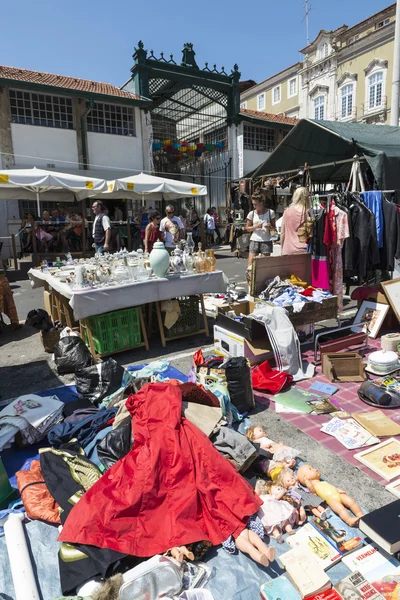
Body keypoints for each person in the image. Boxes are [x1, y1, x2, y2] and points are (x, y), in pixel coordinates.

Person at [246, 192, 276, 265]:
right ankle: (250, 276)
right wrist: (255, 226)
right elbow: (247, 228)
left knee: (264, 265)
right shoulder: (252, 213)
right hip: (254, 240)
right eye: (253, 204)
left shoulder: (270, 212)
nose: (254, 206)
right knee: (251, 264)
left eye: (256, 204)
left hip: (266, 240)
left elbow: (274, 229)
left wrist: (270, 227)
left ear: (262, 202)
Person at [281, 186, 311, 255]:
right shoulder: (307, 212)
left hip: (288, 249)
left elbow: (283, 232)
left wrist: (282, 249)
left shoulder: (287, 211)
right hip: (304, 249)